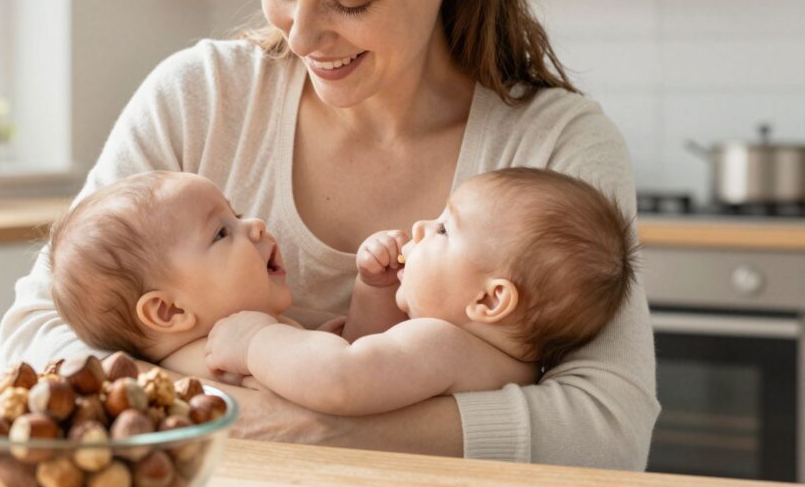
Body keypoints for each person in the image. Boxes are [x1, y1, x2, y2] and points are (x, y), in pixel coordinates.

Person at [0, 0, 659, 468]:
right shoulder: (202, 95)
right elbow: (34, 337)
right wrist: (229, 404)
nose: (305, 35)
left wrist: (323, 428)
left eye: (348, 0)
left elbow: (610, 431)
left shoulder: (552, 142)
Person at [204, 167, 638, 414]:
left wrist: (255, 340)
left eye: (446, 228)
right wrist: (376, 289)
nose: (420, 227)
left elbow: (342, 380)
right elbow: (370, 350)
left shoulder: (443, 343)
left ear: (489, 300)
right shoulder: (498, 357)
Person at [47, 170, 297, 382]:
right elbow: (334, 378)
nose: (257, 224)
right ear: (170, 311)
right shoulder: (237, 352)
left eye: (237, 216)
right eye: (221, 233)